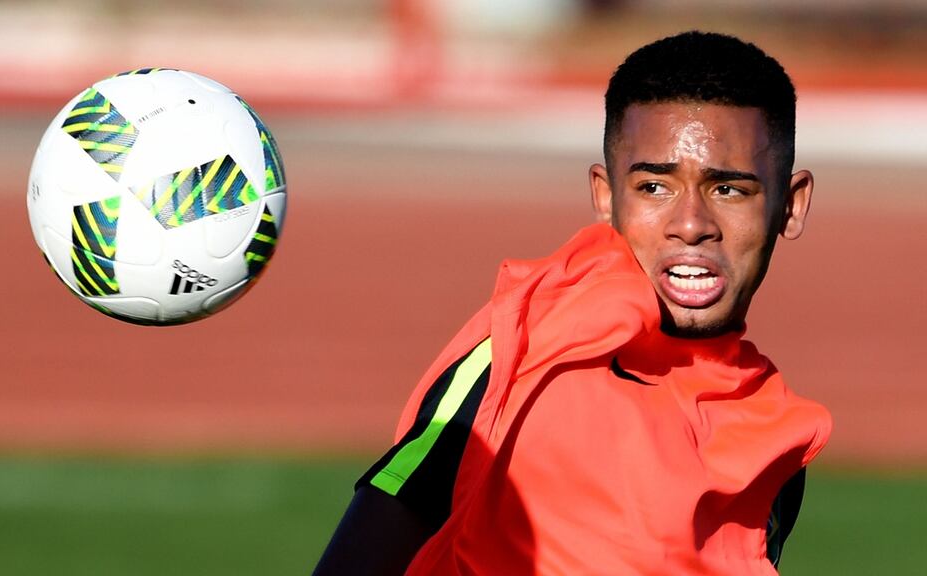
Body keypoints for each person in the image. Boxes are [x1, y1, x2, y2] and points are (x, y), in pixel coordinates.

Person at [314, 31, 832, 575]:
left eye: (728, 190)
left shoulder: (778, 439)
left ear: (790, 205)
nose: (690, 225)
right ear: (605, 196)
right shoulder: (528, 352)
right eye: (654, 187)